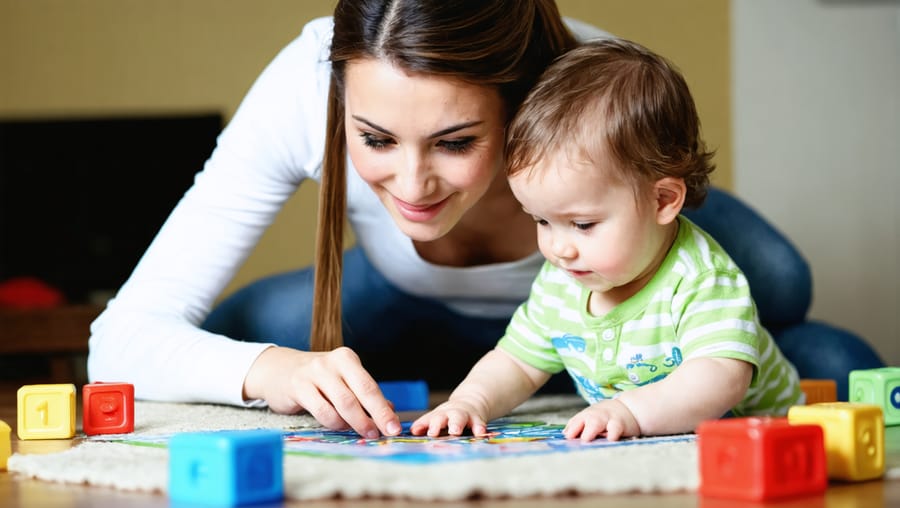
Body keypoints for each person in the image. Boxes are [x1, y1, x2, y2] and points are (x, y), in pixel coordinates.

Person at [87, 0, 882, 440]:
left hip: (604, 302)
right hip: (419, 299)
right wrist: (276, 369)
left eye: (457, 141)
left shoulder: (583, 86)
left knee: (789, 294)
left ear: (526, 109)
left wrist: (639, 406)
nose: (413, 184)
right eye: (374, 140)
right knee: (242, 332)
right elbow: (123, 340)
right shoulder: (305, 85)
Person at [410, 38, 803, 441]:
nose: (559, 248)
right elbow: (517, 362)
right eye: (542, 221)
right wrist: (470, 401)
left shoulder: (700, 277)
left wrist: (629, 412)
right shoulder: (561, 281)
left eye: (582, 224)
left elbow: (720, 378)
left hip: (768, 430)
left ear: (663, 200)